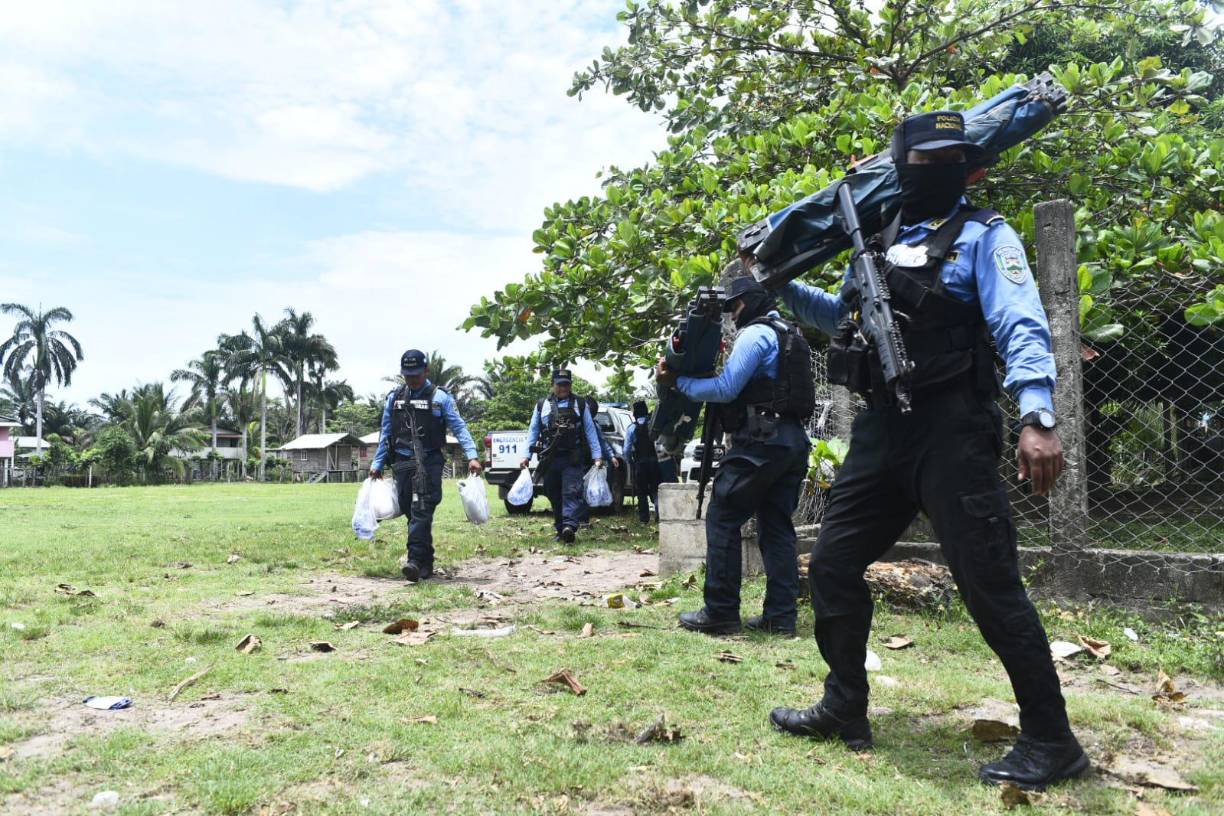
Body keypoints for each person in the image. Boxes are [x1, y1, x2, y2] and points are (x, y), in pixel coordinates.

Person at [766, 110, 1086, 790]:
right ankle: (844, 706)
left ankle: (1053, 740)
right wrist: (777, 282)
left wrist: (1037, 416)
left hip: (954, 430)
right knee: (831, 563)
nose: (935, 173)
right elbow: (838, 318)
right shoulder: (872, 238)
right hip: (882, 433)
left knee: (990, 583)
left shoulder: (984, 236)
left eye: (949, 161)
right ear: (898, 170)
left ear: (969, 167)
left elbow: (1021, 324)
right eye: (921, 162)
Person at [656, 275, 814, 637]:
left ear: (753, 300)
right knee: (777, 527)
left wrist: (678, 383)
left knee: (723, 516)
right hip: (791, 442)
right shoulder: (792, 333)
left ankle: (722, 612)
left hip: (761, 442)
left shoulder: (757, 334)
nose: (733, 313)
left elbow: (726, 389)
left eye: (736, 305)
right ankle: (781, 618)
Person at [370, 349, 481, 583]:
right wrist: (378, 462)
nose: (412, 379)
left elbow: (459, 427)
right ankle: (425, 562)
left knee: (421, 508)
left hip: (430, 461)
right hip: (402, 461)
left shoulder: (440, 397)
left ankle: (413, 560)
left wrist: (472, 455)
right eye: (408, 375)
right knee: (410, 511)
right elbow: (386, 432)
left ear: (426, 371)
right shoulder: (394, 397)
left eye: (416, 375)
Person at [522, 369, 604, 543]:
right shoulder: (541, 405)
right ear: (553, 385)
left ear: (570, 385)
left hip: (572, 458)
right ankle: (561, 529)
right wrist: (526, 455)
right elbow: (533, 431)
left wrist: (597, 455)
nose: (563, 388)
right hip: (549, 459)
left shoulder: (580, 404)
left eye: (566, 384)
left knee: (571, 492)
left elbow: (590, 431)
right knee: (553, 492)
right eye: (560, 384)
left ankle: (570, 525)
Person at [575, 396, 620, 527]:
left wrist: (611, 456)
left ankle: (581, 520)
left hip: (588, 463)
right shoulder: (573, 423)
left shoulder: (593, 425)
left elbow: (601, 442)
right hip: (574, 461)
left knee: (582, 489)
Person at [623, 401, 661, 523]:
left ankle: (644, 518)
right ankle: (659, 513)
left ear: (635, 414)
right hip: (655, 462)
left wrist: (630, 461)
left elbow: (626, 450)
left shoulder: (632, 428)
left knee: (641, 491)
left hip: (640, 463)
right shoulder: (653, 425)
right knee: (656, 489)